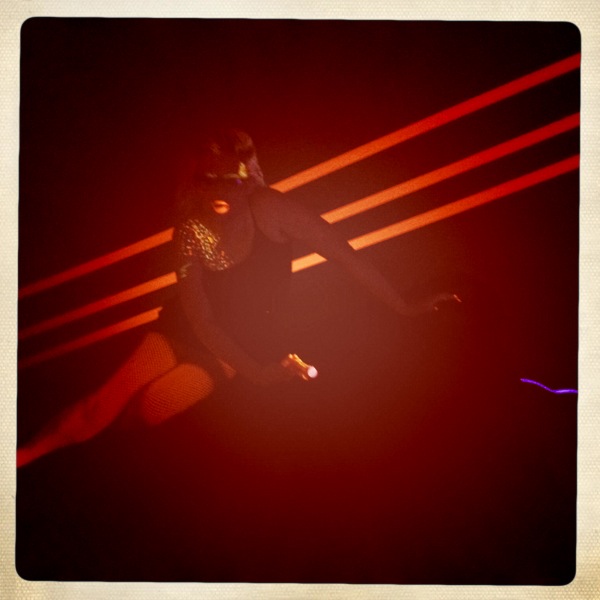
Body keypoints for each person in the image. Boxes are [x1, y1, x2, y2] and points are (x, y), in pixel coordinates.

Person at [17, 129, 457, 468]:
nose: (220, 191)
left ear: (249, 177)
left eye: (231, 179)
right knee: (99, 407)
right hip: (187, 330)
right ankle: (22, 458)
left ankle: (95, 439)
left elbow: (343, 253)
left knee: (149, 412)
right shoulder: (190, 229)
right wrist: (259, 374)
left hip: (238, 344)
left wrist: (402, 305)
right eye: (208, 179)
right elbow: (199, 317)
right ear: (196, 181)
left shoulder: (272, 208)